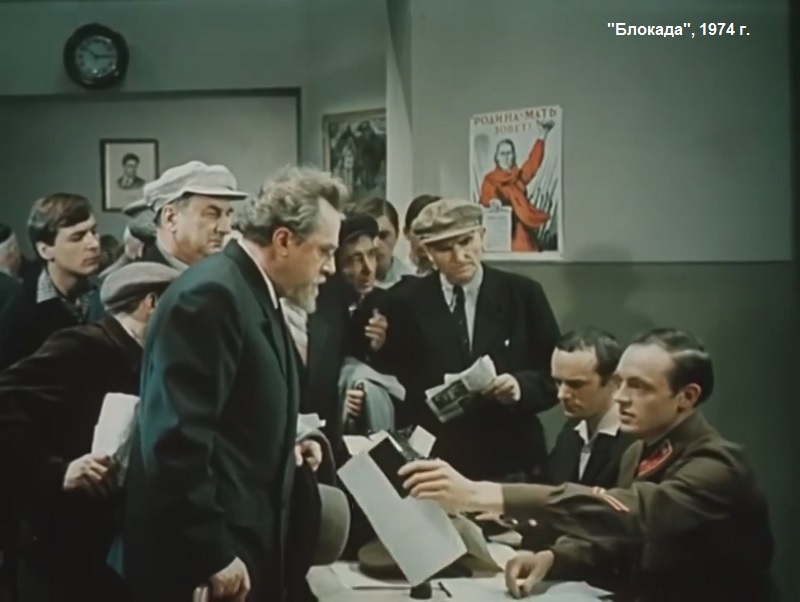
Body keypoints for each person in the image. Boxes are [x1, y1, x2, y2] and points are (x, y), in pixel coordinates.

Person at [398, 328, 774, 600]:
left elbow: (635, 515)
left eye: (639, 386)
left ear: (686, 397)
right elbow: (620, 543)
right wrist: (554, 557)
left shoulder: (718, 466)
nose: (621, 397)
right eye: (621, 383)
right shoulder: (639, 452)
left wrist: (487, 494)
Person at [122, 166, 347, 602]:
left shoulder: (254, 292)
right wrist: (212, 553)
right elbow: (175, 442)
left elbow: (235, 412)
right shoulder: (212, 296)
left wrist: (286, 443)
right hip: (209, 560)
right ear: (283, 240)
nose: (331, 268)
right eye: (325, 251)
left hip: (248, 545)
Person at [0, 261, 179, 602]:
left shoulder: (152, 359)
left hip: (112, 549)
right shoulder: (82, 346)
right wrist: (55, 472)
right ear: (152, 303)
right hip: (62, 551)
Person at [381, 198, 560, 481]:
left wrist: (520, 387)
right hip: (441, 455)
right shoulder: (404, 302)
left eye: (466, 242)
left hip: (512, 453)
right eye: (444, 248)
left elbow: (554, 376)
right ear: (427, 251)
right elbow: (397, 382)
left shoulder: (523, 295)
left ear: (482, 237)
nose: (459, 255)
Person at [0, 194, 100, 370]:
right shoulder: (21, 315)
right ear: (45, 250)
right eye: (77, 237)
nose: (93, 244)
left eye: (94, 231)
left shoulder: (107, 296)